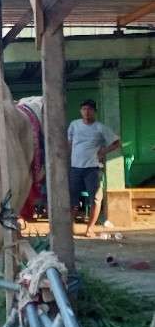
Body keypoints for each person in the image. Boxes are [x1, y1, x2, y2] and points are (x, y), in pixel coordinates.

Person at [68, 99, 121, 237]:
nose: (86, 112)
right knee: (72, 199)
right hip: (75, 168)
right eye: (84, 109)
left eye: (89, 109)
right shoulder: (74, 125)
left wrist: (104, 151)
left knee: (96, 200)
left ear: (94, 112)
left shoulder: (100, 127)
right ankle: (69, 228)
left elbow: (116, 143)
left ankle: (89, 228)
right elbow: (69, 143)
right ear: (81, 111)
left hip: (92, 169)